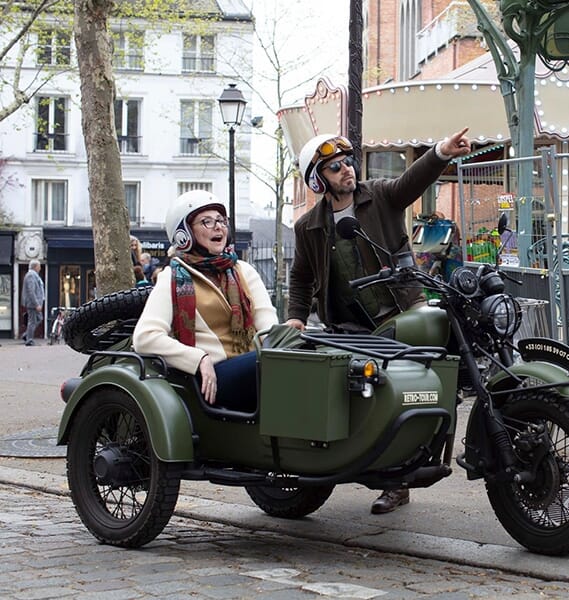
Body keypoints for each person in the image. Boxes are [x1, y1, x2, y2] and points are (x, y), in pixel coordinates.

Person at [287, 128, 471, 514]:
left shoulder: (381, 196)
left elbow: (411, 182)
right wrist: (296, 319)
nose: (346, 171)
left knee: (429, 381)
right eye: (334, 167)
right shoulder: (309, 227)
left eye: (347, 162)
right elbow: (302, 277)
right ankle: (392, 480)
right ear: (319, 179)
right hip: (350, 329)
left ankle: (410, 468)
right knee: (380, 401)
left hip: (401, 311)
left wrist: (440, 151)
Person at [132, 190, 278, 411]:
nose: (218, 227)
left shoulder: (243, 270)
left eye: (221, 220)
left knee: (304, 355)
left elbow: (268, 324)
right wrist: (198, 359)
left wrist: (279, 346)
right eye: (206, 222)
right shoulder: (172, 277)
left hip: (251, 364)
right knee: (271, 364)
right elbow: (145, 338)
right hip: (212, 377)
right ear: (184, 234)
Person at [22, 259, 45, 346]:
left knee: (39, 319)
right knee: (32, 321)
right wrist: (36, 304)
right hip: (33, 304)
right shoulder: (31, 276)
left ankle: (26, 335)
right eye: (39, 266)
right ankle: (29, 340)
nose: (40, 268)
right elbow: (31, 291)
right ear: (35, 267)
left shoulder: (34, 275)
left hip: (36, 303)